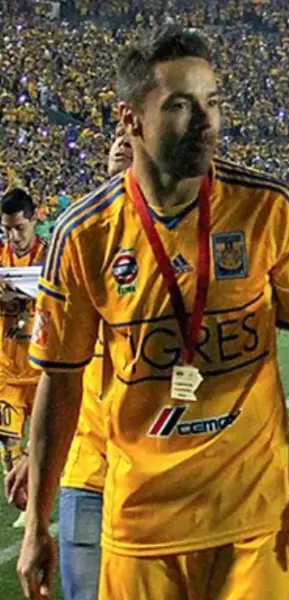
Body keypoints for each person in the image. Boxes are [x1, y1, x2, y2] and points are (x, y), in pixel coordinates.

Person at [17, 26, 289, 600]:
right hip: (140, 525)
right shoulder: (85, 235)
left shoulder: (266, 209)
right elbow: (62, 381)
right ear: (130, 119)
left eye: (212, 102)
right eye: (180, 105)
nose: (206, 120)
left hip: (253, 521)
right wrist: (36, 526)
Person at [5, 129, 131, 600]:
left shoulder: (185, 248)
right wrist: (38, 464)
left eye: (135, 137)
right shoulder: (77, 239)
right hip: (87, 467)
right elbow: (57, 374)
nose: (123, 144)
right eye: (117, 137)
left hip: (155, 468)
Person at [0, 188, 48, 487]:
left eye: (19, 228)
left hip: (42, 368)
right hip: (6, 368)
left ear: (34, 220)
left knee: (44, 443)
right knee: (8, 438)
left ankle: (40, 496)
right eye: (7, 230)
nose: (14, 237)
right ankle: (21, 500)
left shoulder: (51, 256)